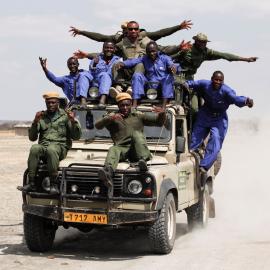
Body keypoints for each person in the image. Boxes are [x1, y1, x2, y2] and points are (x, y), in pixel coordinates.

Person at [184, 71, 253, 175]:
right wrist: (185, 84)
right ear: (212, 79)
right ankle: (188, 162)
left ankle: (204, 167)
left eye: (220, 80)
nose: (217, 82)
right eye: (216, 79)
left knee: (216, 140)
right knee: (194, 139)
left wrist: (246, 101)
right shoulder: (205, 84)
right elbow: (193, 83)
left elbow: (236, 99)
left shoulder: (226, 91)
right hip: (205, 114)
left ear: (223, 81)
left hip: (219, 119)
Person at [95, 92, 167, 188]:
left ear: (131, 104)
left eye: (127, 105)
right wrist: (109, 118)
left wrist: (162, 114)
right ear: (118, 106)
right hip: (122, 150)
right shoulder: (113, 117)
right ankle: (108, 173)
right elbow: (97, 125)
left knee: (136, 134)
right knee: (113, 149)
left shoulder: (138, 116)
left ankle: (142, 161)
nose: (125, 108)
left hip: (137, 150)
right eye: (122, 105)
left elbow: (159, 122)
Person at [20, 92, 82, 194]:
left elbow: (76, 136)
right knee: (34, 148)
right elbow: (32, 138)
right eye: (48, 103)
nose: (50, 105)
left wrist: (72, 121)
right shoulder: (42, 117)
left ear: (58, 103)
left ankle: (54, 184)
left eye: (53, 102)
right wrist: (35, 121)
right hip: (44, 147)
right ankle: (31, 183)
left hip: (60, 147)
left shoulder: (65, 116)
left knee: (51, 149)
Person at [115, 41, 180, 108]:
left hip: (162, 87)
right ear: (146, 52)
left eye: (153, 51)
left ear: (157, 50)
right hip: (150, 87)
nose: (151, 53)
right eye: (149, 52)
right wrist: (123, 63)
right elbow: (133, 61)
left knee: (168, 77)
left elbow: (171, 64)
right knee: (137, 75)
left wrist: (172, 67)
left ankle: (163, 106)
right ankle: (134, 104)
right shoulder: (145, 58)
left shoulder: (165, 58)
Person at [172, 33, 258, 80]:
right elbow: (170, 57)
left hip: (189, 78)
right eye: (201, 42)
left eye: (204, 42)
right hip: (176, 76)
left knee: (195, 105)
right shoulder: (187, 48)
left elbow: (224, 55)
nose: (203, 44)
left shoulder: (206, 52)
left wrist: (245, 59)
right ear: (196, 41)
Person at [69, 20, 193, 43]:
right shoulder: (119, 39)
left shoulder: (144, 36)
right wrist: (81, 32)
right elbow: (100, 37)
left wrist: (178, 27)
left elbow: (160, 33)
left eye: (134, 29)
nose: (130, 32)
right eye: (127, 30)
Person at [89, 41, 121, 107]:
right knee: (104, 75)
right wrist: (95, 64)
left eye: (111, 48)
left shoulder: (118, 60)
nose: (109, 49)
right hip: (97, 86)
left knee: (106, 75)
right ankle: (102, 99)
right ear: (103, 49)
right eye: (106, 48)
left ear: (114, 49)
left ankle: (103, 98)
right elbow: (91, 74)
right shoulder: (96, 59)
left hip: (112, 86)